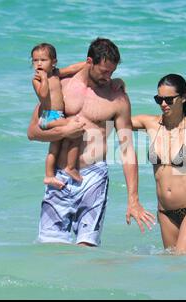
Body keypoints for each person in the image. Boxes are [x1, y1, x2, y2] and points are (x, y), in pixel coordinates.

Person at [27, 38, 155, 247]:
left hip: (94, 177)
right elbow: (33, 132)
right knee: (50, 250)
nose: (108, 77)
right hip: (59, 178)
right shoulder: (60, 86)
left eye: (112, 73)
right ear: (89, 62)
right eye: (104, 71)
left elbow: (127, 150)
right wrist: (64, 130)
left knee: (86, 251)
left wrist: (133, 200)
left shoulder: (118, 99)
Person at [131, 74, 186, 254]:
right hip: (165, 212)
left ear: (184, 98)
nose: (163, 104)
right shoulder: (149, 123)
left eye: (169, 99)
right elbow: (117, 121)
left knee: (181, 258)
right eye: (159, 99)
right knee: (172, 266)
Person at [31, 43, 85, 187]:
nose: (39, 63)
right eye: (35, 60)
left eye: (43, 60)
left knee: (55, 149)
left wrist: (88, 63)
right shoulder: (36, 80)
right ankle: (70, 167)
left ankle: (50, 176)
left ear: (53, 62)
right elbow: (43, 95)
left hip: (57, 116)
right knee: (77, 129)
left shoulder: (55, 74)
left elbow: (72, 69)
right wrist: (43, 79)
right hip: (49, 116)